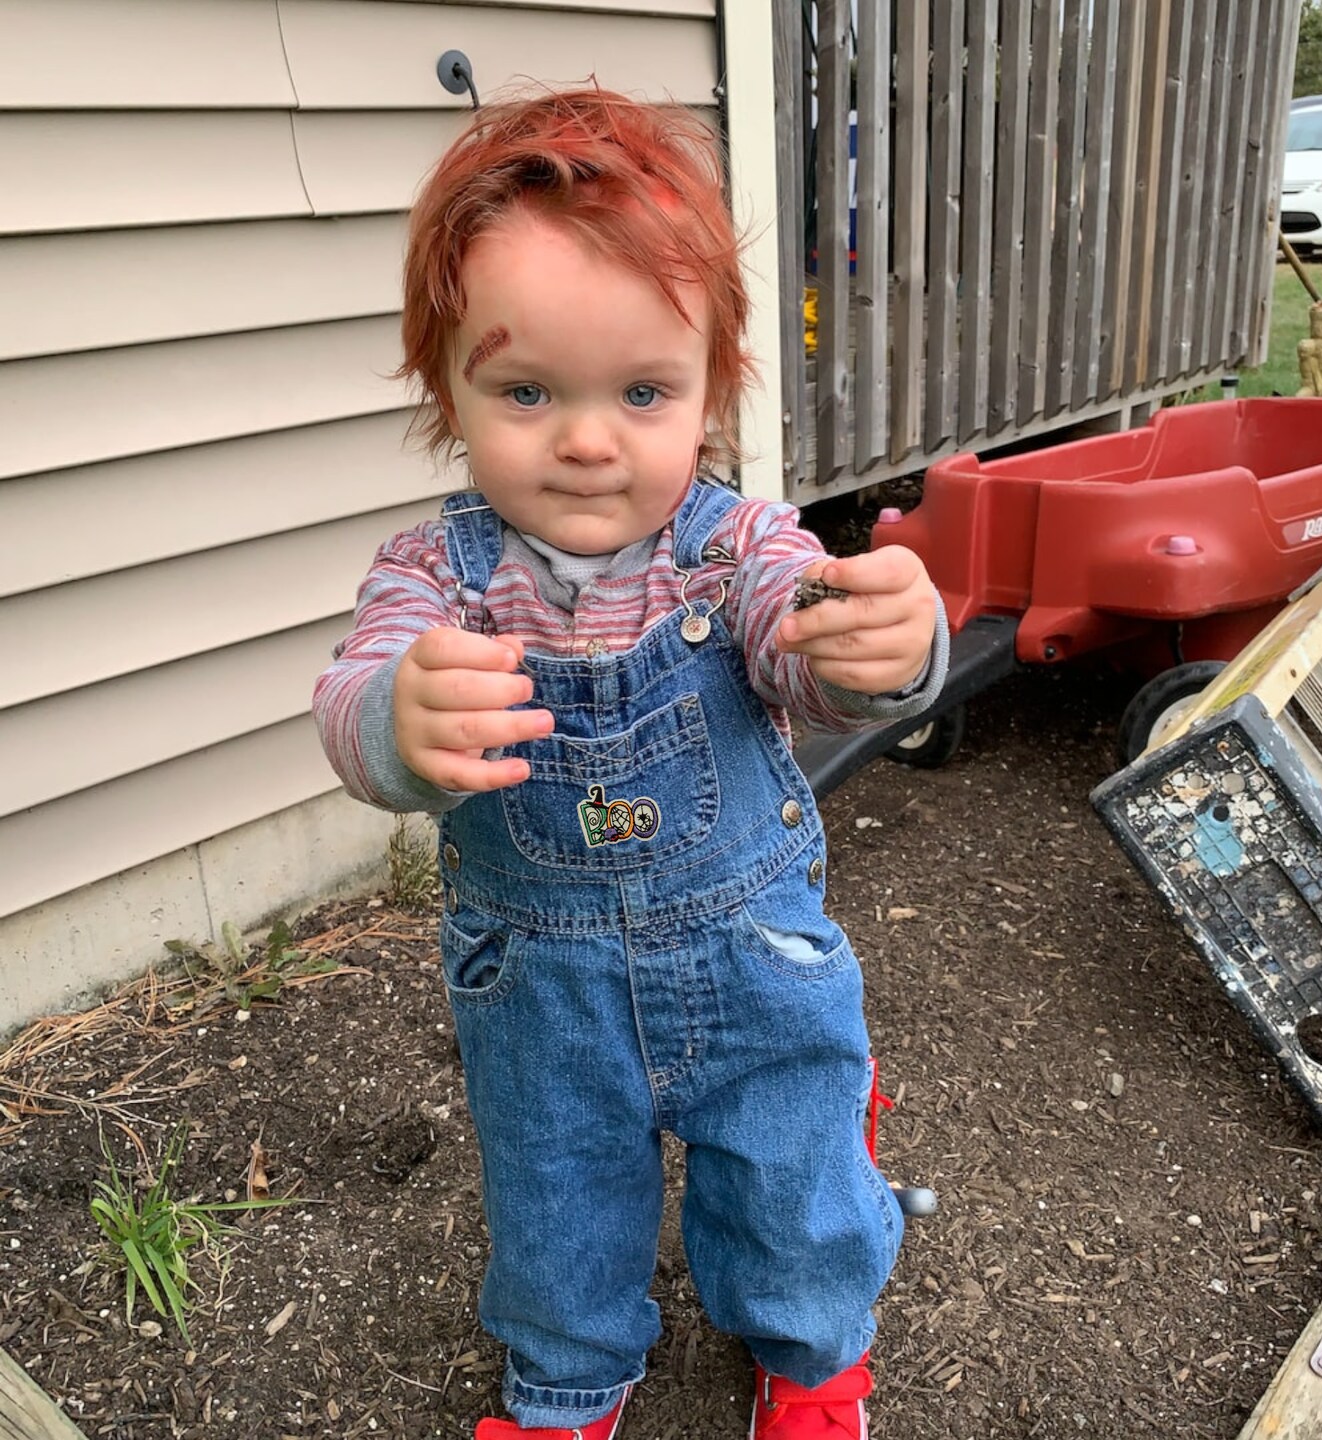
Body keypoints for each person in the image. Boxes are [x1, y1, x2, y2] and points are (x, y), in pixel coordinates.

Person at [313, 87, 951, 1440]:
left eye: (643, 392)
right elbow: (358, 689)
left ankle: (814, 1358)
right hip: (540, 989)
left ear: (712, 388)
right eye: (527, 391)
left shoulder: (738, 548)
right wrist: (398, 723)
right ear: (448, 391)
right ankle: (566, 1379)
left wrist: (875, 644)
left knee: (790, 1178)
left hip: (751, 959)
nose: (589, 439)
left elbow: (800, 640)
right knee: (554, 1197)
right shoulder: (436, 576)